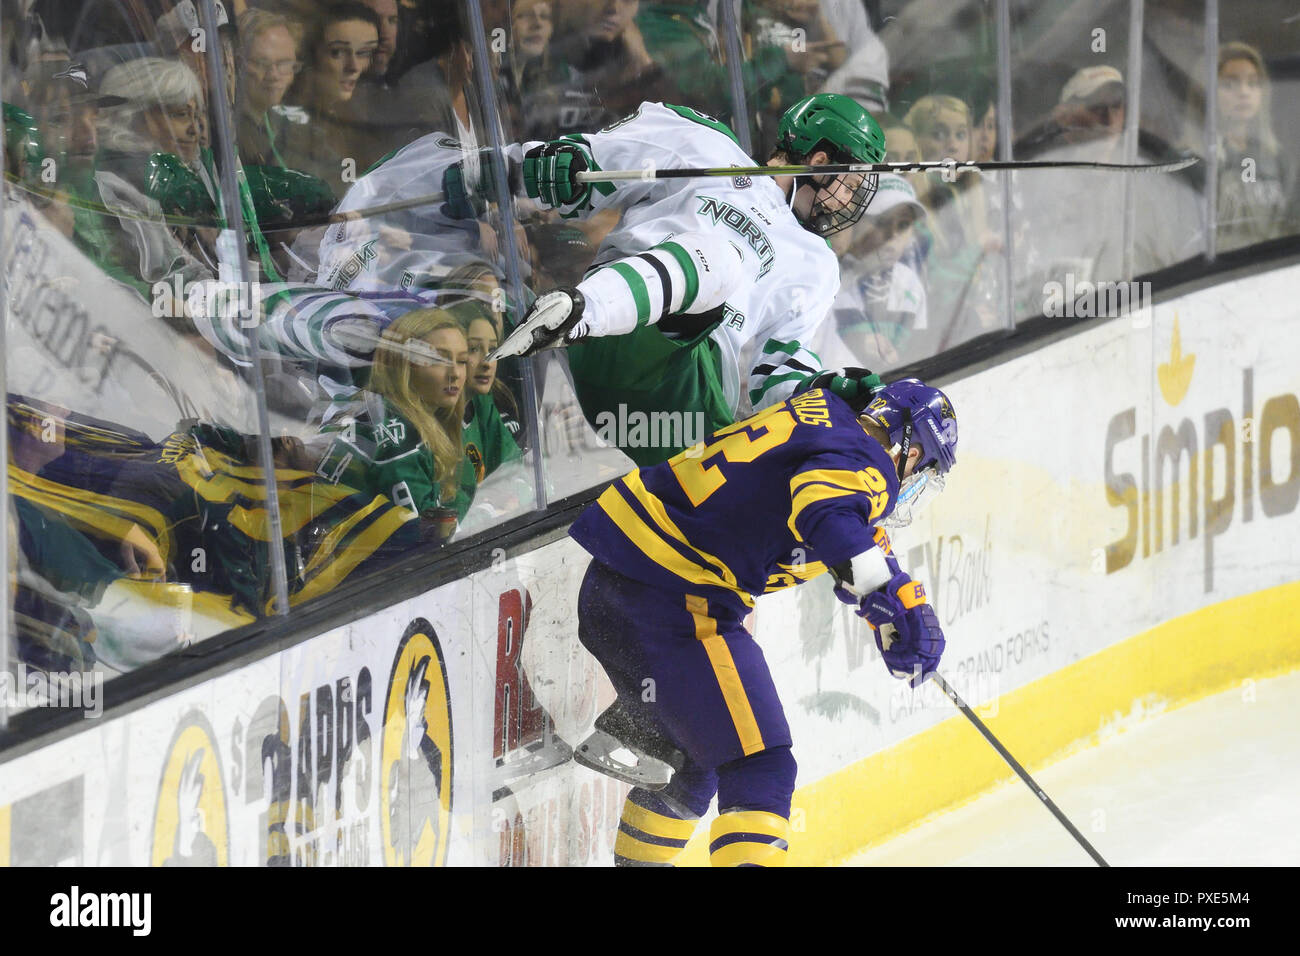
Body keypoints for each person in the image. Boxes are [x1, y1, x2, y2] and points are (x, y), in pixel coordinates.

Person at [566, 375, 957, 865]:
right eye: (925, 469)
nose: (915, 485)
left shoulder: (825, 415)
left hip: (616, 583)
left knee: (700, 757)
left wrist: (891, 598)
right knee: (763, 768)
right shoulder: (870, 464)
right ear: (910, 449)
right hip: (674, 604)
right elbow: (827, 510)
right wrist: (887, 597)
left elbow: (845, 527)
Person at [479, 93, 886, 467]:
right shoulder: (706, 147)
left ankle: (574, 315)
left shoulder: (818, 264)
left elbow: (774, 376)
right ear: (818, 163)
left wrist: (821, 389)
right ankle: (577, 315)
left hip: (683, 411)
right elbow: (590, 164)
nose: (848, 202)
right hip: (612, 347)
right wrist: (509, 172)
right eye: (849, 185)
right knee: (720, 260)